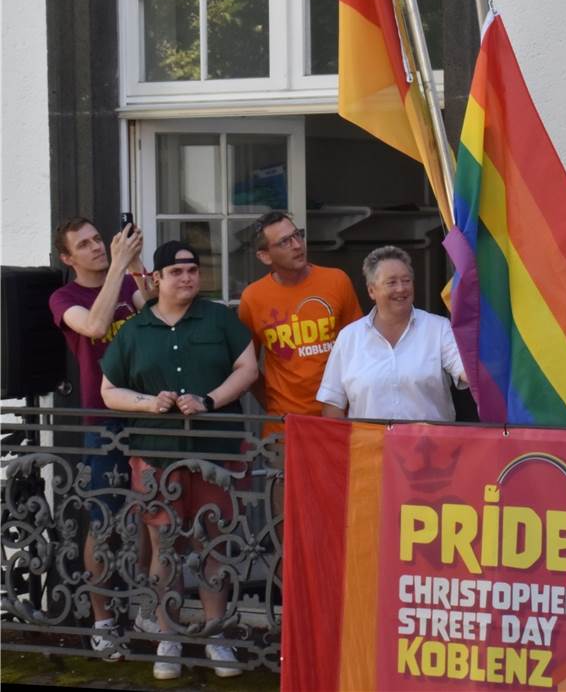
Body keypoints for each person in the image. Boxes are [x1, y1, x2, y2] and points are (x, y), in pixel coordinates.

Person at [101, 241, 258, 680]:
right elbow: (109, 390)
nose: (187, 277)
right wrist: (150, 403)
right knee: (165, 548)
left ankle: (215, 637)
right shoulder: (135, 330)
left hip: (218, 453)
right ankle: (168, 637)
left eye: (192, 269)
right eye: (176, 271)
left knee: (214, 546)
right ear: (156, 279)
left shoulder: (220, 318)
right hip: (156, 456)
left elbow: (248, 369)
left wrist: (209, 400)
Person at [48, 217, 154, 660]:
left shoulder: (123, 279)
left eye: (98, 240)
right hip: (104, 422)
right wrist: (117, 269)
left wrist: (136, 266)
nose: (96, 248)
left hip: (147, 413)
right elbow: (93, 326)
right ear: (68, 258)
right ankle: (103, 622)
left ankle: (150, 606)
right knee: (103, 521)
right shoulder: (64, 297)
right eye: (85, 245)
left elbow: (153, 311)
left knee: (154, 513)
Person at [237, 211, 363, 432]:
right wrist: (273, 405)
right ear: (265, 256)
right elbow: (246, 368)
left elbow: (361, 350)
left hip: (338, 420)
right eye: (285, 242)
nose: (297, 245)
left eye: (297, 235)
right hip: (285, 426)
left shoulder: (337, 280)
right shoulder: (253, 298)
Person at [318, 245, 467, 421]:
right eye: (391, 282)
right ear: (371, 290)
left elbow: (468, 372)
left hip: (429, 446)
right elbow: (332, 404)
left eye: (406, 281)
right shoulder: (349, 337)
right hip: (370, 446)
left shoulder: (439, 328)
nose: (401, 289)